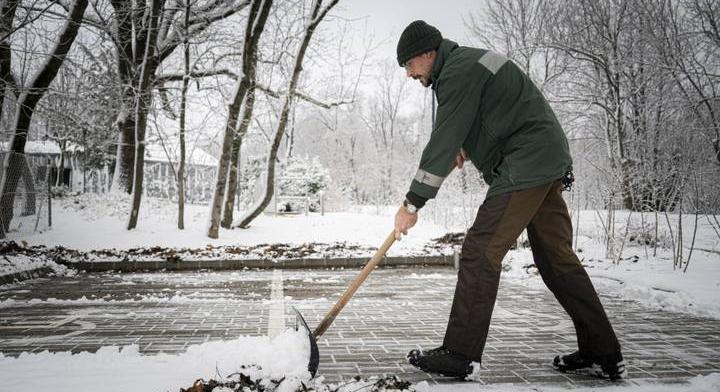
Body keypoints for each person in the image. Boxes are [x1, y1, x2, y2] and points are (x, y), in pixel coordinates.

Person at [392, 20, 625, 380]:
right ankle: (602, 348)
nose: (408, 73)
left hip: (525, 162)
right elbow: (495, 115)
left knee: (479, 250)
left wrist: (412, 204)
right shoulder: (467, 63)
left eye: (409, 64)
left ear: (428, 53)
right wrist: (466, 146)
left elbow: (442, 140)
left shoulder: (456, 72)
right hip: (543, 156)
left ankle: (461, 354)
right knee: (555, 259)